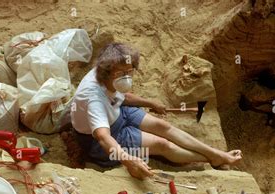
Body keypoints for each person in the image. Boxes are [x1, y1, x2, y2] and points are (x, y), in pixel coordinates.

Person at [70, 43, 242, 179]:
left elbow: (123, 97)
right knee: (162, 145)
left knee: (163, 126)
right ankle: (211, 158)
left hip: (118, 111)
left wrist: (149, 102)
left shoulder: (107, 73)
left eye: (130, 71)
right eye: (121, 73)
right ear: (106, 72)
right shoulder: (93, 98)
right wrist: (129, 161)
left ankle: (217, 154)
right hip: (102, 140)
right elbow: (102, 137)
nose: (127, 77)